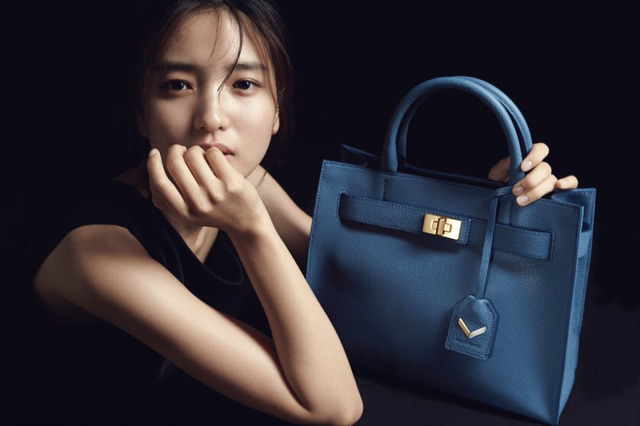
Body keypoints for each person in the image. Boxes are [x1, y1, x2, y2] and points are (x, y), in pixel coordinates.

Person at [0, 0, 578, 425]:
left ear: (277, 110)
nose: (211, 117)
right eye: (177, 84)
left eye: (242, 84)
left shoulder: (245, 182)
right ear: (142, 113)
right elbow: (333, 405)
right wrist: (250, 226)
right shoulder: (98, 250)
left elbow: (379, 277)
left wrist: (489, 207)